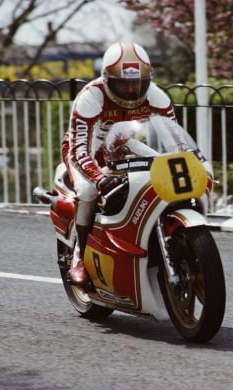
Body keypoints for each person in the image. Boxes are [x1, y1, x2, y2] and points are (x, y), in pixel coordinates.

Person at [61, 41, 176, 289]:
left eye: (138, 82)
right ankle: (79, 255)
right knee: (89, 190)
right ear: (107, 80)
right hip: (85, 150)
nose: (133, 89)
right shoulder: (91, 97)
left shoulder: (157, 96)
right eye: (124, 83)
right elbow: (80, 149)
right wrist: (99, 177)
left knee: (162, 166)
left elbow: (173, 141)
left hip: (122, 144)